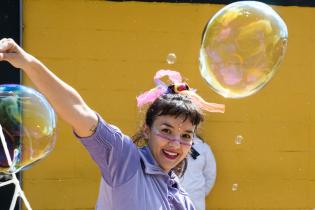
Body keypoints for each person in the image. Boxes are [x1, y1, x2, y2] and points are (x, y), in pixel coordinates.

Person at [0, 38, 225, 210]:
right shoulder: (124, 159)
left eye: (186, 135)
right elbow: (77, 108)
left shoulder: (183, 200)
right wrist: (27, 62)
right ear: (147, 130)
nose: (176, 143)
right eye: (166, 130)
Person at [179, 136, 216, 210]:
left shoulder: (203, 148)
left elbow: (210, 175)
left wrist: (200, 193)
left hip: (195, 201)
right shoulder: (170, 145)